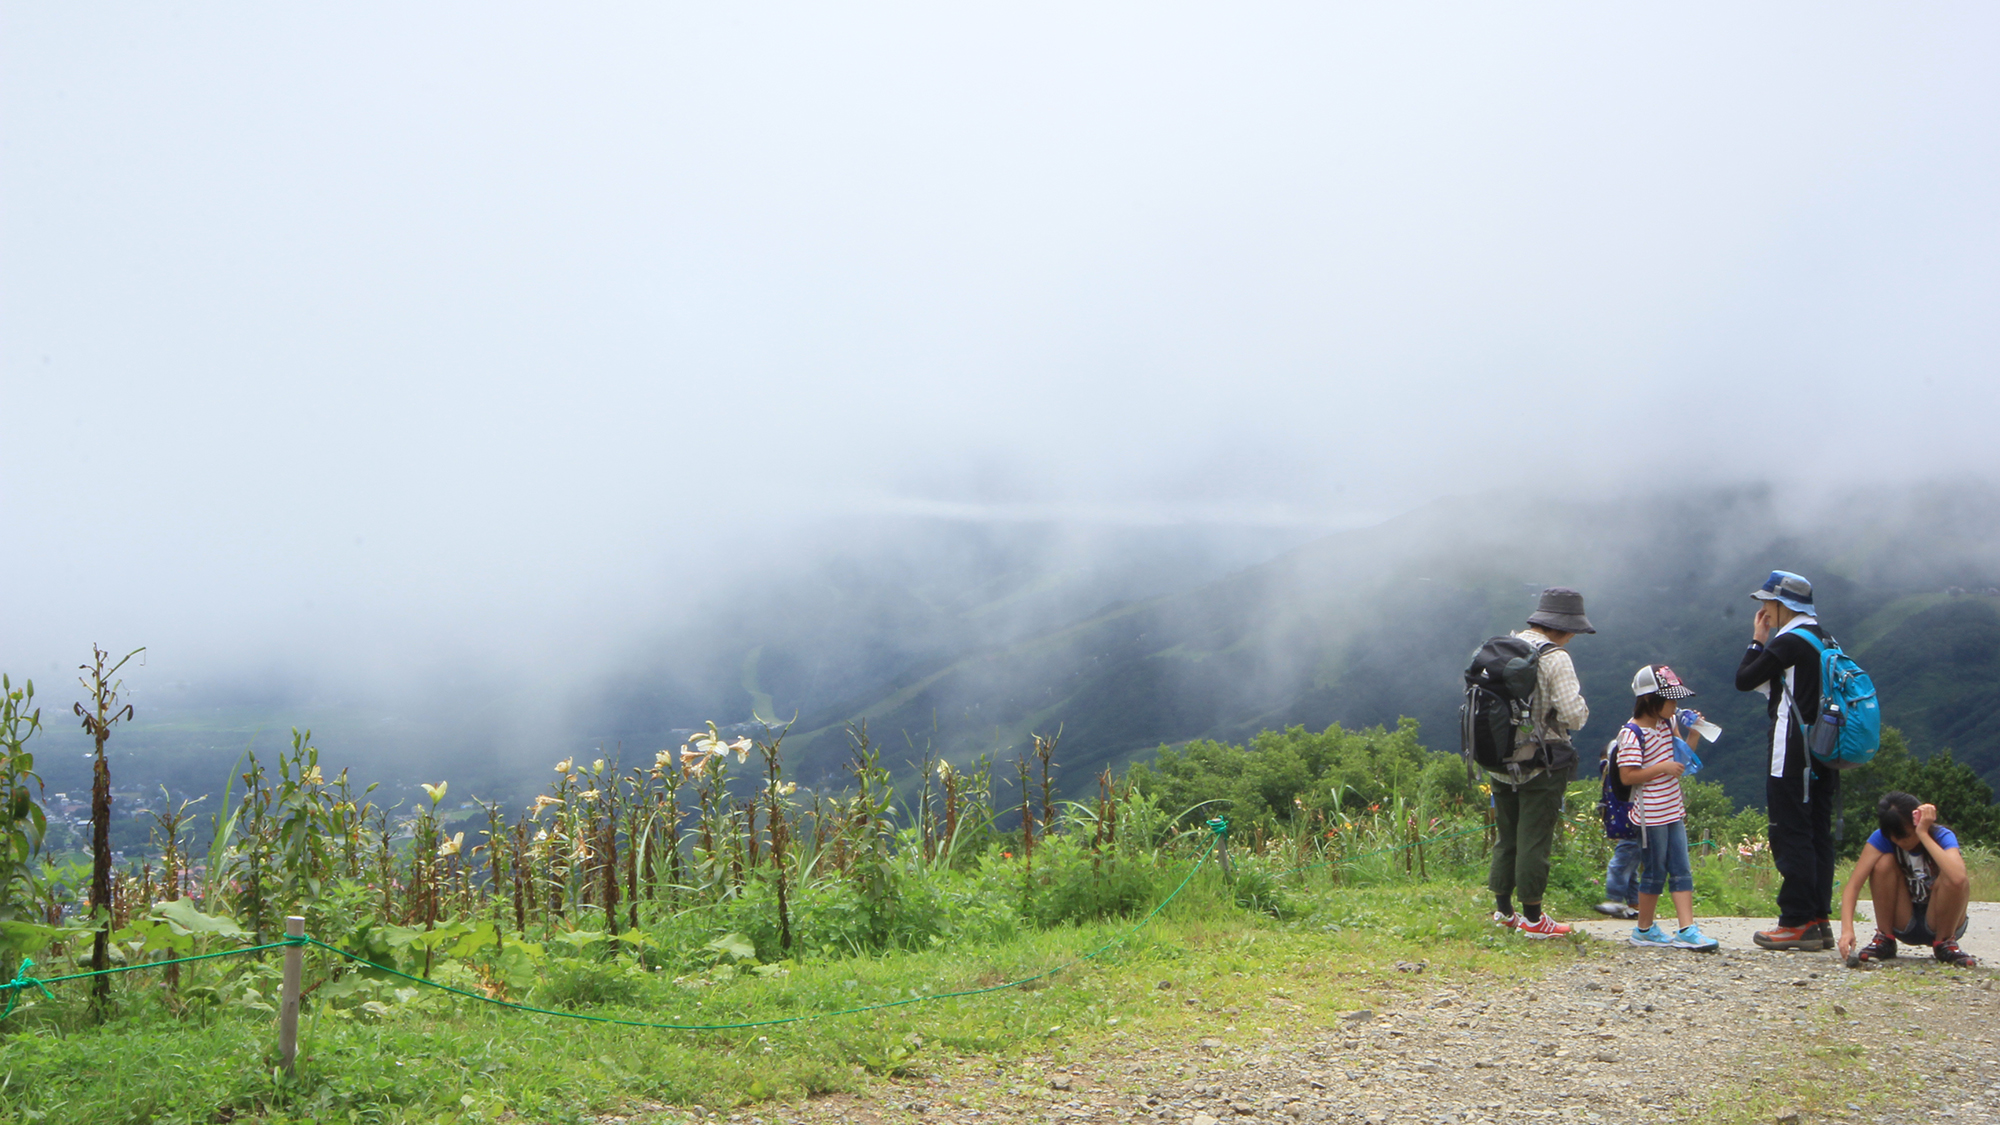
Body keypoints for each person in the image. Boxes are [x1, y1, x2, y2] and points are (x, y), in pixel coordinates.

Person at [1735, 570, 1839, 951]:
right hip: (1825, 748)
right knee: (1816, 832)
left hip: (1791, 749)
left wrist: (1757, 641)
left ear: (1782, 605)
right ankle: (1819, 919)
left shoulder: (1790, 641)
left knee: (1789, 830)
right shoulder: (1824, 637)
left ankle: (1795, 921)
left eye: (1767, 603)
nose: (1763, 609)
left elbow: (1745, 679)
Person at [1489, 587, 1592, 939]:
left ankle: (1504, 913)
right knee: (1534, 839)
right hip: (1539, 762)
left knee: (1507, 837)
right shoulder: (1555, 657)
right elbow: (1573, 715)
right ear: (1566, 628)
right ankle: (1534, 920)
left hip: (1498, 759)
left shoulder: (1505, 647)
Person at [1614, 664, 1719, 951]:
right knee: (1654, 872)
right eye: (1670, 699)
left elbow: (1681, 762)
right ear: (1650, 699)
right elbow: (1628, 776)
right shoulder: (1633, 733)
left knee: (1682, 869)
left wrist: (1694, 732)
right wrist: (1661, 767)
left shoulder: (1667, 724)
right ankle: (1644, 929)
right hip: (1650, 815)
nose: (1675, 705)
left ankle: (1687, 929)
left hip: (1673, 809)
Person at [1836, 792, 1978, 969]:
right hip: (1904, 920)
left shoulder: (1942, 836)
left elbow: (1959, 878)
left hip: (1941, 920)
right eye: (1895, 838)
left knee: (1952, 875)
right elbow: (1853, 886)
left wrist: (1923, 834)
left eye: (1906, 836)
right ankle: (1885, 938)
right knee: (1883, 863)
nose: (1901, 842)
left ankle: (1945, 943)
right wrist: (1847, 931)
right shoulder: (1882, 839)